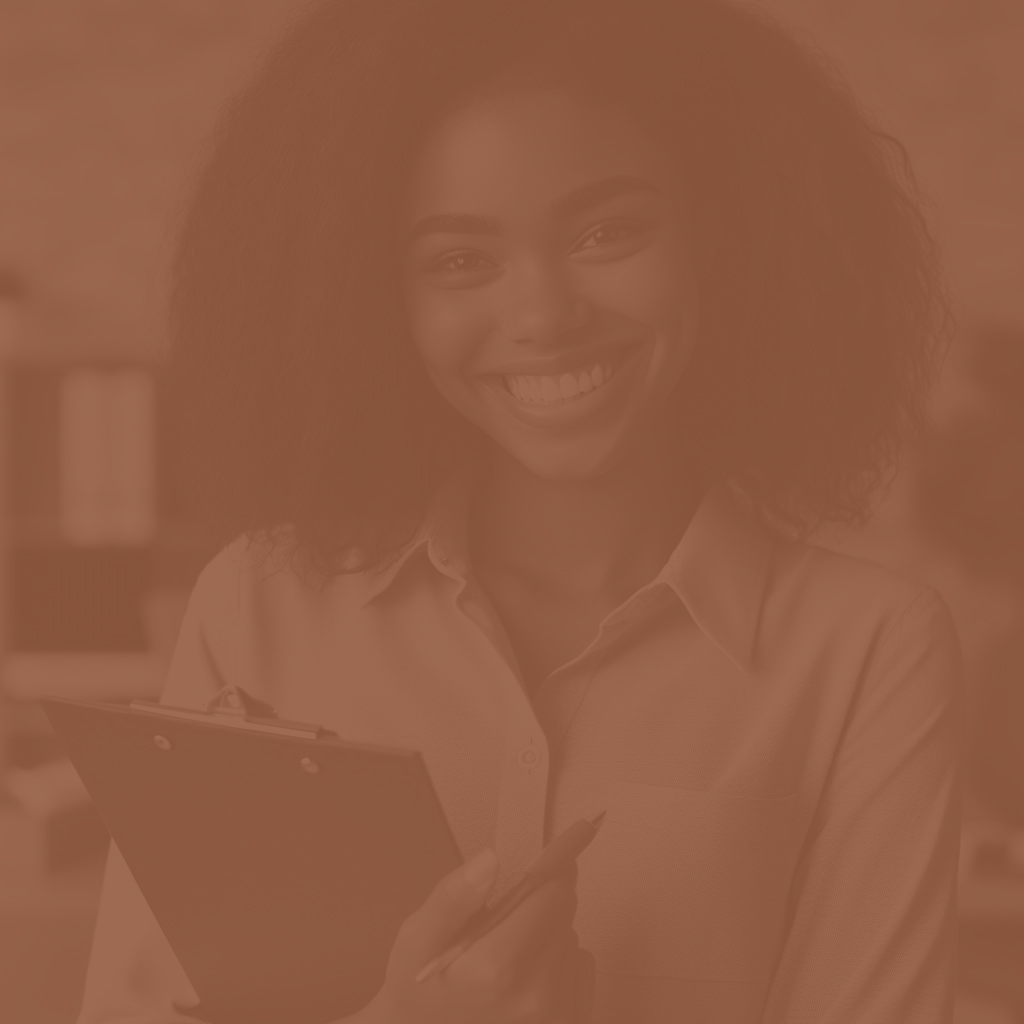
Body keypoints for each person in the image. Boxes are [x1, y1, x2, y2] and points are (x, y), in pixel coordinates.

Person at [76, 1, 963, 1022]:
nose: (542, 314)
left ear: (712, 236)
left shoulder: (868, 650)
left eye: (605, 231)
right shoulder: (257, 607)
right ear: (379, 297)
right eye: (459, 259)